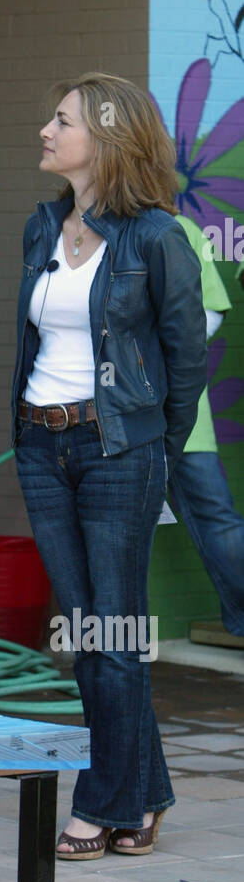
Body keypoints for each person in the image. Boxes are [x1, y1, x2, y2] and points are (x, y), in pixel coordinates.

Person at [11, 72, 206, 861]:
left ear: (105, 139)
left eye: (60, 121)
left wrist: (149, 445)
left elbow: (184, 360)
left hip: (116, 450)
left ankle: (99, 801)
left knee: (110, 632)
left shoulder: (155, 237)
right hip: (39, 445)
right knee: (85, 628)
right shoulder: (40, 228)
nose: (44, 132)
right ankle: (145, 794)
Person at [167, 215, 244, 649]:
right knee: (113, 529)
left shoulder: (181, 229)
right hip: (107, 415)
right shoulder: (79, 225)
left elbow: (212, 308)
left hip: (183, 413)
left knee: (217, 518)